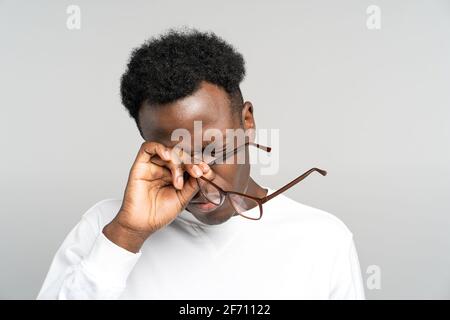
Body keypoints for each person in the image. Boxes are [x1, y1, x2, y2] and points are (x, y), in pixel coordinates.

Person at [37, 29, 365, 299]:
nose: (199, 181)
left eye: (216, 151)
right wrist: (127, 235)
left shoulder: (322, 240)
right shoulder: (105, 229)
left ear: (247, 121)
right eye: (176, 159)